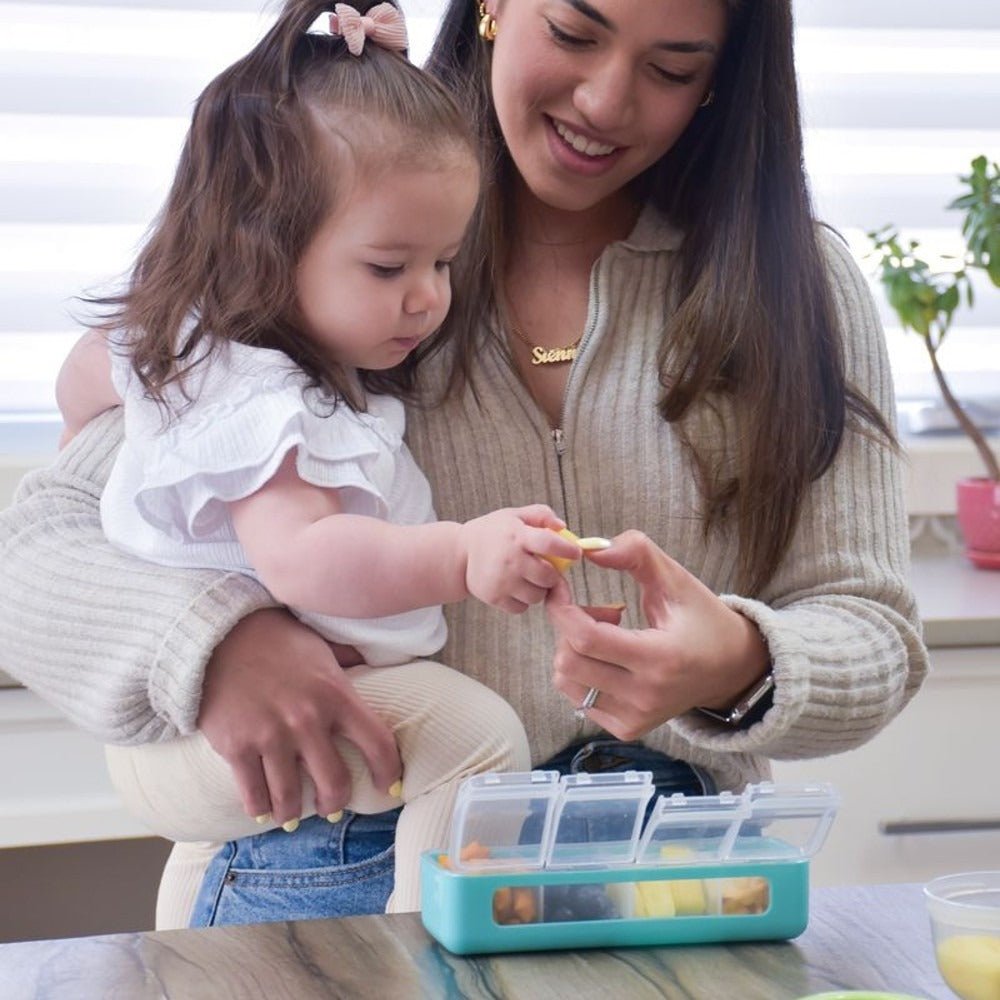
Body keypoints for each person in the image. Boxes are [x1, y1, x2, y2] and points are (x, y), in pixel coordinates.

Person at [0, 0, 929, 930]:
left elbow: (874, 625)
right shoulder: (322, 225)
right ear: (491, 6)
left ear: (723, 78)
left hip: (671, 872)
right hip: (328, 859)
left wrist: (736, 662)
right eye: (573, 34)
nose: (607, 102)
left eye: (673, 69)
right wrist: (215, 639)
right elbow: (36, 549)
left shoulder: (790, 284)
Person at [52, 0, 592, 916]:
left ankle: (192, 930)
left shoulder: (207, 354)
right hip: (217, 733)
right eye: (389, 268)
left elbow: (83, 373)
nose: (427, 299)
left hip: (191, 752)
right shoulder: (267, 402)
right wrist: (462, 555)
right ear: (261, 247)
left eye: (445, 263)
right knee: (479, 738)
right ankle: (425, 946)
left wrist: (125, 416)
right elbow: (305, 557)